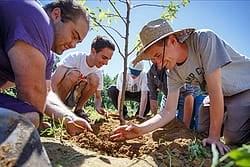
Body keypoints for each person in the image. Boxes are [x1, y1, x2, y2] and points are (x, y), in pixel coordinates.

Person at [110, 18, 250, 155]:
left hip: (244, 88)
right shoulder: (173, 73)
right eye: (153, 60)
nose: (158, 64)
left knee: (233, 138)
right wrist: (140, 129)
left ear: (172, 41)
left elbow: (215, 91)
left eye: (158, 55)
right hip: (221, 95)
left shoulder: (204, 40)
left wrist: (214, 136)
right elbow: (168, 111)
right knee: (201, 128)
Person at [0, 0, 92, 138]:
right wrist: (36, 123)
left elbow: (45, 93)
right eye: (74, 35)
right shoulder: (37, 18)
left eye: (78, 42)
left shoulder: (48, 57)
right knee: (28, 120)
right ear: (56, 15)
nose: (73, 45)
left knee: (28, 118)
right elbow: (32, 92)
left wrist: (68, 118)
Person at [51, 35, 115, 121]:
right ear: (93, 51)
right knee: (74, 74)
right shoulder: (75, 58)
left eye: (108, 60)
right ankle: (60, 109)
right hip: (59, 97)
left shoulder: (98, 73)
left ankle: (78, 110)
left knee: (94, 78)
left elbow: (98, 97)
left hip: (74, 98)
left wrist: (98, 106)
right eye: (104, 58)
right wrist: (54, 106)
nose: (106, 63)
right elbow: (54, 82)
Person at [147, 63, 204, 129]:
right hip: (168, 96)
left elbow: (188, 96)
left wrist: (185, 127)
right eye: (153, 58)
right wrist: (154, 122)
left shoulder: (177, 68)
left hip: (185, 96)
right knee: (164, 123)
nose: (157, 61)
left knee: (181, 124)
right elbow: (153, 98)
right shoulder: (151, 73)